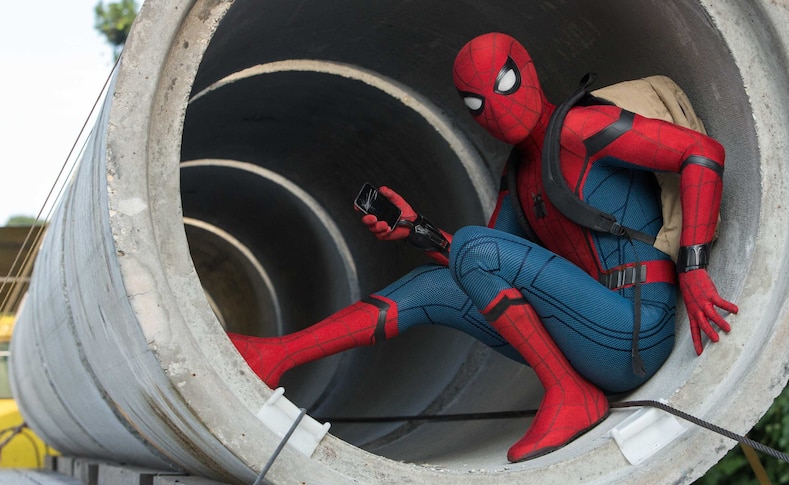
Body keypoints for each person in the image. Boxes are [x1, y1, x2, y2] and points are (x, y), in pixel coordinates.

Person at [228, 32, 738, 463]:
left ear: (530, 73)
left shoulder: (584, 128)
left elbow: (701, 153)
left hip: (633, 330)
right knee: (438, 284)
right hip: (588, 334)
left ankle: (570, 393)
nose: (494, 109)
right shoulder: (519, 176)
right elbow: (481, 264)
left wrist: (693, 265)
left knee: (474, 248)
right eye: (476, 103)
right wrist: (417, 230)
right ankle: (278, 354)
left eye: (504, 84)